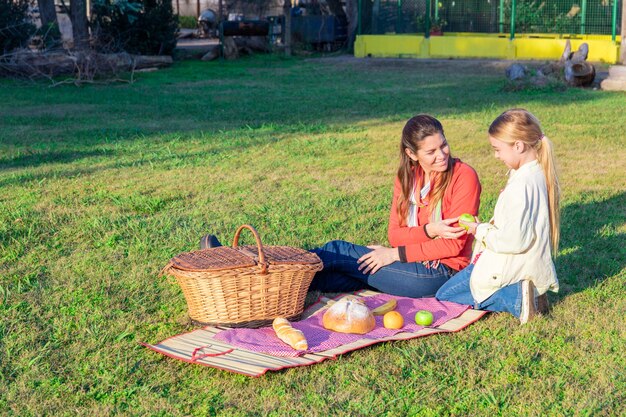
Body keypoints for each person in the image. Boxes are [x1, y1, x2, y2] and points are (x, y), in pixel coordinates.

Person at [308, 114, 481, 298]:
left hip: (442, 273)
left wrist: (393, 255)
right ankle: (283, 284)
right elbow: (395, 236)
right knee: (333, 278)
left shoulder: (464, 176)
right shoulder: (408, 179)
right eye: (431, 152)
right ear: (411, 154)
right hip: (412, 263)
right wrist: (430, 230)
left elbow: (452, 246)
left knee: (339, 250)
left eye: (443, 145)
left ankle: (282, 264)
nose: (442, 155)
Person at [435, 109, 560, 324]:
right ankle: (529, 294)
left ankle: (516, 298)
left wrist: (479, 230)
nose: (496, 156)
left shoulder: (520, 187)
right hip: (520, 262)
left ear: (518, 146)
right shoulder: (536, 172)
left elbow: (514, 240)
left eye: (498, 149)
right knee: (458, 288)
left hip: (506, 264)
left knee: (444, 296)